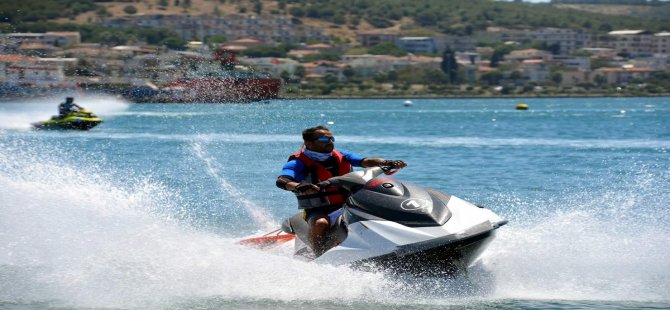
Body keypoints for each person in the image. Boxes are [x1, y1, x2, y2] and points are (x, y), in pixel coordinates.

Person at [276, 125, 407, 256]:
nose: (330, 142)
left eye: (332, 138)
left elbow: (365, 161)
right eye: (323, 140)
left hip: (350, 202)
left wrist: (386, 162)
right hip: (319, 209)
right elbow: (283, 180)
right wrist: (297, 186)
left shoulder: (341, 156)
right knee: (320, 224)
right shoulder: (298, 162)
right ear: (308, 143)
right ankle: (317, 255)